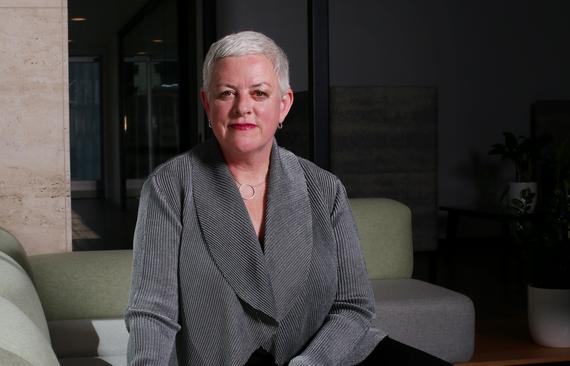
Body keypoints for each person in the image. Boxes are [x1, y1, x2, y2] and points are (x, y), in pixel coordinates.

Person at [125, 30, 450, 366]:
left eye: (259, 93)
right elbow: (152, 313)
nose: (243, 108)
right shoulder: (169, 186)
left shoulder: (325, 188)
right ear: (207, 104)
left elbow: (353, 306)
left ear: (284, 105)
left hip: (325, 356)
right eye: (226, 93)